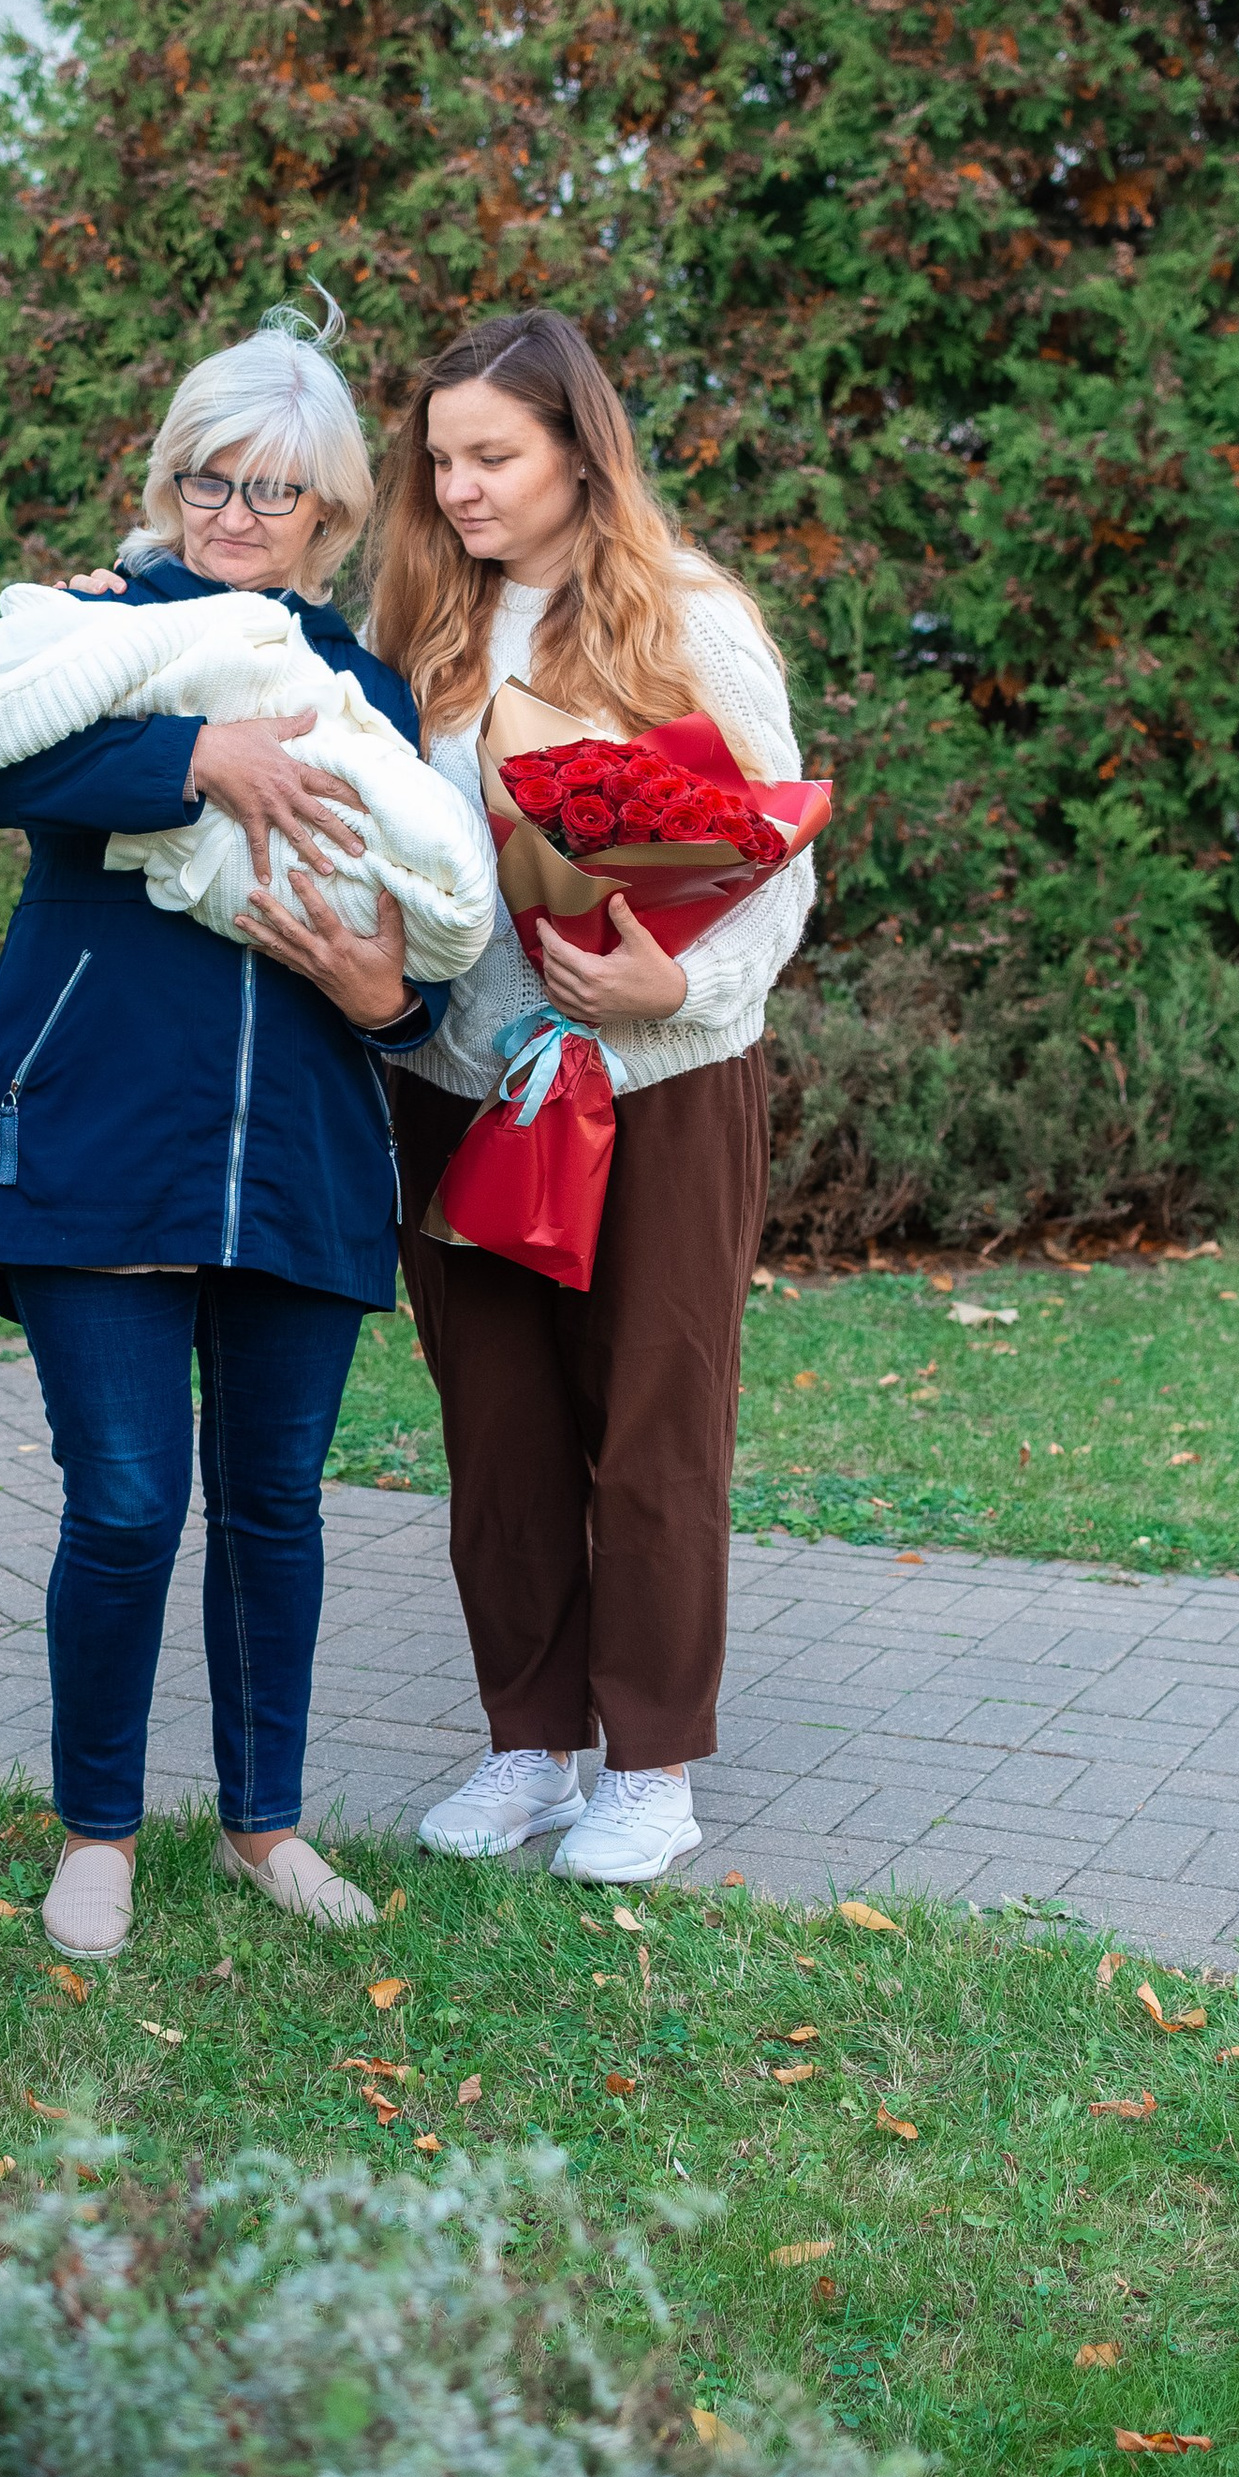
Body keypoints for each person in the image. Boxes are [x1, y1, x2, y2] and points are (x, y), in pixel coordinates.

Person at [0, 313, 442, 1960]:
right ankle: (97, 1832)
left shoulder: (366, 690)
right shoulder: (88, 632)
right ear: (166, 482)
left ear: (332, 517)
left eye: (277, 491)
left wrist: (392, 999)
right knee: (130, 1502)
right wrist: (195, 753)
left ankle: (264, 1826)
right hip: (97, 1135)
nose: (237, 514)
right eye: (208, 479)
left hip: (299, 1149)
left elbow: (419, 917)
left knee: (277, 1505)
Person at [366, 310, 816, 1887]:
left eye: (493, 456)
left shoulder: (686, 619)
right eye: (441, 461)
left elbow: (779, 858)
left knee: (652, 1431)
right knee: (496, 1430)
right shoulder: (426, 623)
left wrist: (668, 989)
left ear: (579, 449)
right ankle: (530, 1750)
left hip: (658, 1090)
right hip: (461, 1086)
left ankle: (651, 1771)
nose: (462, 489)